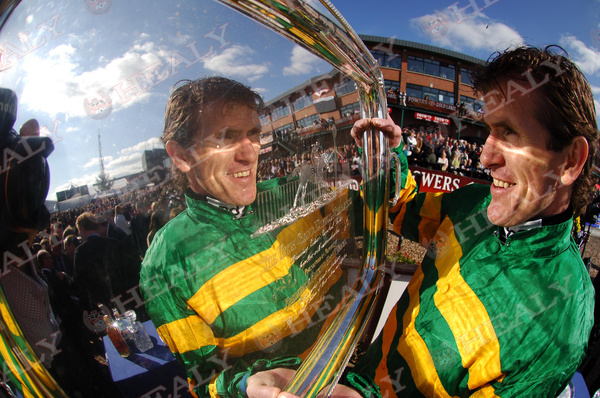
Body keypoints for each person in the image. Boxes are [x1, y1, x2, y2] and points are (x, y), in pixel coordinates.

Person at [246, 46, 597, 398]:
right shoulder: (477, 202)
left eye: (509, 133)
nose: (486, 156)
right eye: (489, 131)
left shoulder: (562, 318)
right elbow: (407, 212)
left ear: (570, 161)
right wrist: (389, 159)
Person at [139, 76, 360, 398]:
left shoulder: (298, 194)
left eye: (254, 135)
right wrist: (246, 385)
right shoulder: (164, 264)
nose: (250, 153)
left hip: (363, 371)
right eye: (226, 138)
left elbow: (387, 214)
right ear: (181, 156)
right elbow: (202, 380)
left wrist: (387, 154)